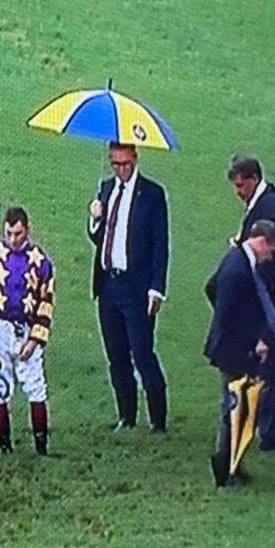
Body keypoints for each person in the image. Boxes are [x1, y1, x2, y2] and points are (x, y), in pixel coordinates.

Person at [88, 143, 169, 432]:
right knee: (116, 356)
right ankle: (127, 416)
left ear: (135, 159)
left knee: (143, 354)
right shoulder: (106, 189)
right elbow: (98, 237)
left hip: (137, 289)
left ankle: (158, 420)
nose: (120, 169)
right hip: (108, 285)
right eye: (115, 164)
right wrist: (94, 218)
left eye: (125, 163)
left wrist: (156, 288)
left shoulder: (152, 195)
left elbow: (160, 244)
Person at [203, 219, 275, 487]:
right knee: (233, 410)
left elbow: (211, 287)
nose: (270, 257)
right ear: (260, 242)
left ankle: (234, 464)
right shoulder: (238, 269)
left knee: (240, 409)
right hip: (234, 351)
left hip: (233, 347)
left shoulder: (237, 260)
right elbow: (229, 313)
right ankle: (224, 470)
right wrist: (254, 341)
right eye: (271, 250)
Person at [0, 206, 55, 455]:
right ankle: (5, 448)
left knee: (36, 387)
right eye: (9, 233)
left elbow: (46, 304)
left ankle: (41, 448)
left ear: (27, 230)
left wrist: (35, 340)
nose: (13, 239)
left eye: (18, 234)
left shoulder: (42, 262)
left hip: (26, 330)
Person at [227, 155, 275, 451]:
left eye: (241, 185)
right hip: (271, 297)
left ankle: (271, 433)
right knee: (270, 364)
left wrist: (265, 276)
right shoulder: (265, 204)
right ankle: (271, 428)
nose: (238, 192)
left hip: (271, 300)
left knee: (271, 365)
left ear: (254, 179)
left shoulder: (270, 208)